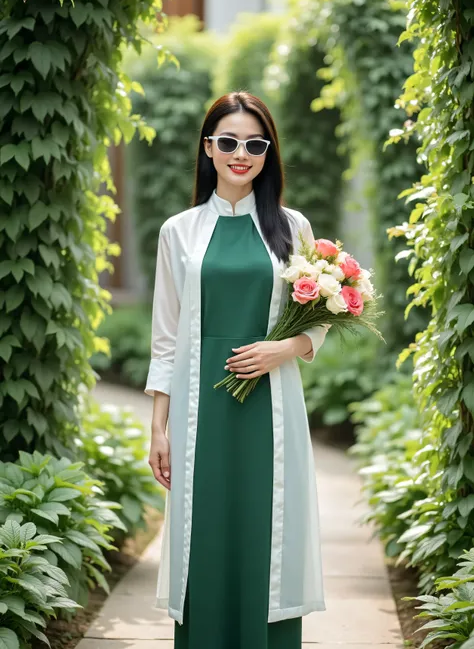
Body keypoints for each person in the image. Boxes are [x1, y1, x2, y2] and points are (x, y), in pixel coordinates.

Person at [145, 91, 331, 649]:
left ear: (268, 152)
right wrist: (159, 426)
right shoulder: (179, 231)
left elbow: (319, 321)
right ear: (208, 148)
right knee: (202, 532)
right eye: (228, 142)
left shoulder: (292, 227)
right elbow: (166, 336)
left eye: (255, 143)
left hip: (270, 407)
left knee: (267, 529)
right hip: (202, 409)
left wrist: (283, 349)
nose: (241, 153)